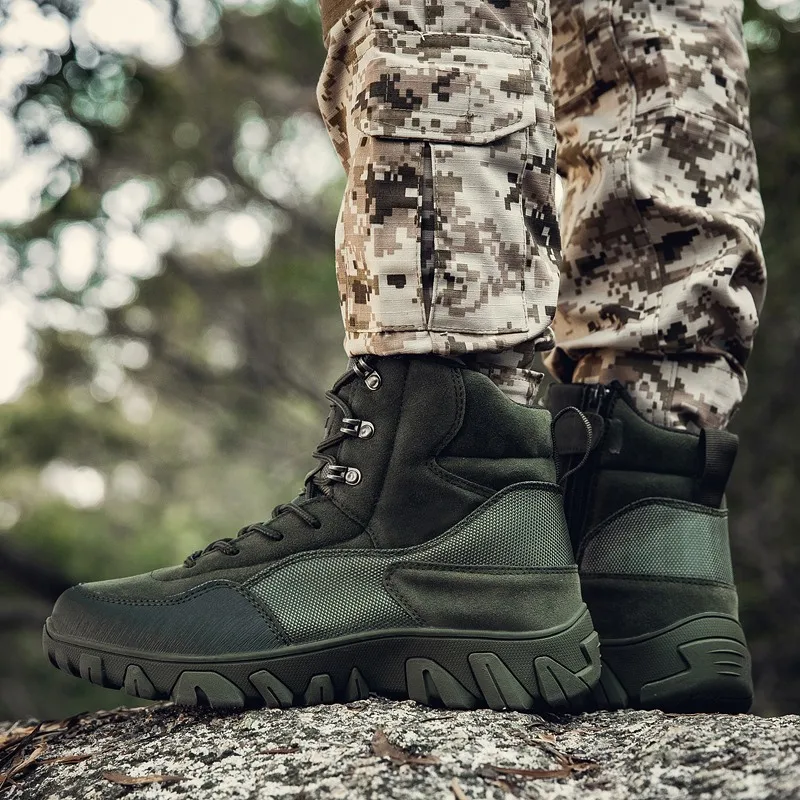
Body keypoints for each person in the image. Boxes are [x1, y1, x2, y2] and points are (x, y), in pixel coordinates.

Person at [42, 0, 764, 713]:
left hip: (449, 484)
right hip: (674, 471)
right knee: (649, 25)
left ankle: (445, 516)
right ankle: (652, 545)